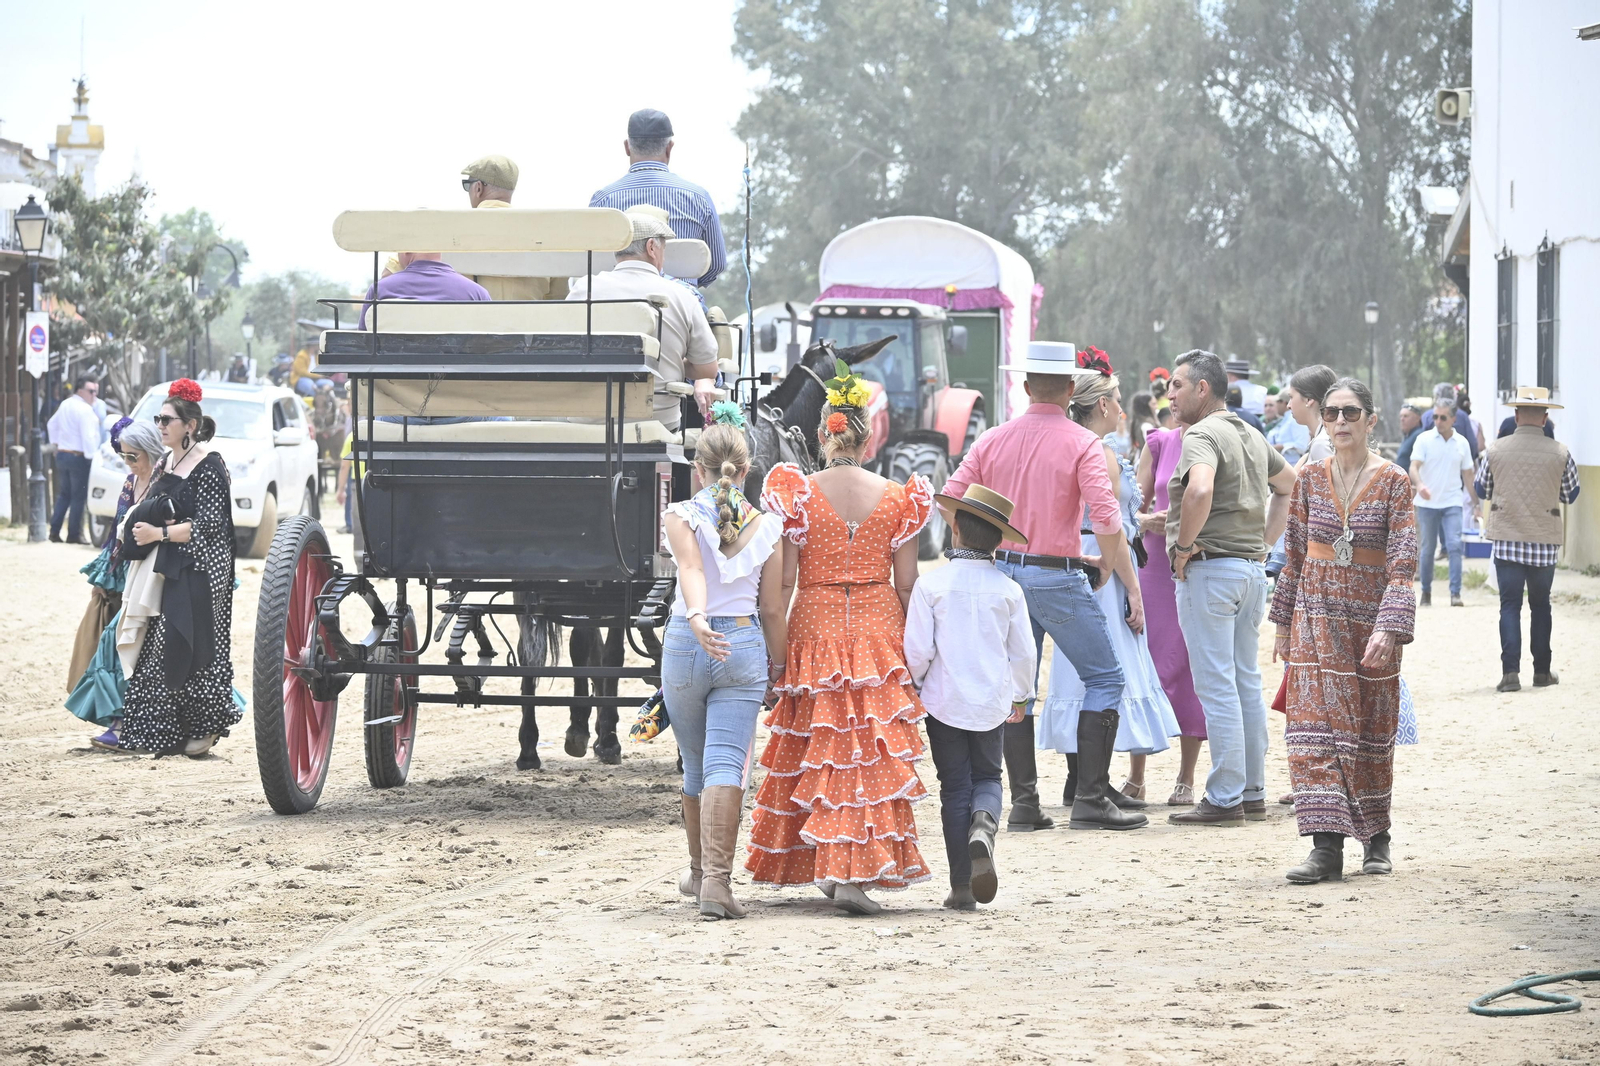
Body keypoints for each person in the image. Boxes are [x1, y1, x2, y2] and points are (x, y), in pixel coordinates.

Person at [746, 362, 934, 914]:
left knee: (821, 754)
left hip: (815, 624)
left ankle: (833, 870)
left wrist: (777, 662)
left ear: (824, 435)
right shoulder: (901, 497)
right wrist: (913, 652)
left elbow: (779, 588)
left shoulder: (796, 492)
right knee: (865, 757)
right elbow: (907, 585)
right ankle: (849, 874)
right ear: (867, 435)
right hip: (878, 629)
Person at [944, 341, 1146, 833]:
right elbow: (1106, 517)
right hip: (1055, 574)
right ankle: (1091, 798)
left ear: (1026, 385)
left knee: (1018, 687)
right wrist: (1109, 565)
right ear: (1071, 388)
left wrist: (973, 549)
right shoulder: (1082, 443)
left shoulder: (993, 438)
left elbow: (950, 498)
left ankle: (1025, 803)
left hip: (1004, 570)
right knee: (1104, 677)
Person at [1271, 377, 1417, 882]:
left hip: (1371, 625)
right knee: (1312, 732)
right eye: (1331, 413)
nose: (1339, 422)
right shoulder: (1310, 478)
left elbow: (1403, 563)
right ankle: (1325, 848)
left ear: (1371, 420)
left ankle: (1377, 837)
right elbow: (1291, 556)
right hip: (1316, 619)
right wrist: (1283, 625)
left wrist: (1391, 627)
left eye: (1350, 413)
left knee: (1371, 733)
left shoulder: (1396, 481)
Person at [661, 411, 787, 920]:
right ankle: (716, 881)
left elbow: (690, 568)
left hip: (686, 644)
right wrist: (779, 666)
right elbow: (774, 608)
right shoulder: (769, 528)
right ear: (748, 468)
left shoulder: (680, 515)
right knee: (725, 765)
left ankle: (697, 871)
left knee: (695, 765)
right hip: (742, 643)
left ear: (699, 470)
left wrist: (695, 616)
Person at [1039, 354, 1179, 809]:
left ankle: (1080, 775)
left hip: (1068, 561)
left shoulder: (1062, 447)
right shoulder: (1100, 454)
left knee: (1075, 670)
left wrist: (1139, 521)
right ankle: (1089, 782)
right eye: (1117, 400)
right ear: (1100, 405)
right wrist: (1134, 590)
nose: (1122, 408)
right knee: (1104, 668)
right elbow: (1108, 527)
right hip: (1102, 565)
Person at [1165, 350, 1296, 827]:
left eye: (1178, 384)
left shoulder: (1200, 434)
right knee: (1244, 682)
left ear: (1203, 389)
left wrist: (1182, 546)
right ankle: (1251, 789)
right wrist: (1263, 540)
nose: (1171, 393)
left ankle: (1224, 796)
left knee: (1218, 686)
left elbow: (1199, 491)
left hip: (1211, 571)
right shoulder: (1251, 433)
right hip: (1248, 571)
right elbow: (1289, 484)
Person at [904, 485, 1035, 910]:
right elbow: (1024, 652)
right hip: (991, 705)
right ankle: (985, 825)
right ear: (999, 540)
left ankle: (961, 886)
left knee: (954, 787)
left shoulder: (932, 586)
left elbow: (919, 651)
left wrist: (920, 684)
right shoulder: (1009, 591)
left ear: (955, 530)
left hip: (944, 703)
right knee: (989, 779)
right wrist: (1021, 697)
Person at [116, 379, 241, 757]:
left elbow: (209, 525)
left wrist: (159, 532)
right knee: (161, 648)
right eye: (158, 418)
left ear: (189, 425)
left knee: (196, 644)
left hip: (204, 570)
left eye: (167, 419)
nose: (161, 425)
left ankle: (207, 727)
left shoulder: (209, 465)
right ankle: (169, 732)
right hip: (170, 566)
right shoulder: (165, 462)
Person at [567, 206, 718, 430]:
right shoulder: (682, 296)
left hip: (588, 422)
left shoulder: (584, 289)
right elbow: (708, 369)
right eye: (664, 250)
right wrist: (667, 360)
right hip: (658, 424)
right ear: (651, 248)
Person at [67, 419, 164, 748]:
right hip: (124, 572)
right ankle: (121, 722)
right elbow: (116, 532)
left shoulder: (166, 484)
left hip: (154, 577)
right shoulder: (129, 482)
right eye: (124, 457)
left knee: (129, 645)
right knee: (113, 644)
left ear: (151, 451)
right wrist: (105, 572)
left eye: (133, 457)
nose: (130, 464)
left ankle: (128, 725)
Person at [1476, 387, 1579, 693]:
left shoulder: (1495, 449)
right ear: (1545, 417)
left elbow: (1482, 489)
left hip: (1507, 536)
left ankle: (1510, 673)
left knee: (1509, 606)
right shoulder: (1561, 452)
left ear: (1517, 415)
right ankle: (1542, 672)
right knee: (1541, 606)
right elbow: (1570, 494)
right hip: (1544, 540)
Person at [1137, 421, 1207, 805]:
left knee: (1190, 664)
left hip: (1198, 561)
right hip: (1154, 567)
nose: (1172, 395)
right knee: (1146, 662)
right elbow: (1130, 503)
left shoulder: (1219, 438)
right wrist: (1147, 521)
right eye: (1170, 387)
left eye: (1179, 385)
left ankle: (1187, 775)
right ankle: (1136, 775)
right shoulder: (1160, 442)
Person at [589, 109, 726, 288]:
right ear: (669, 148)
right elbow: (716, 265)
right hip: (682, 309)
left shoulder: (602, 201)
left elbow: (592, 266)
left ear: (627, 147)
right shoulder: (699, 197)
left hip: (618, 307)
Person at [460, 154, 569, 301]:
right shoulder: (545, 234)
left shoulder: (461, 232)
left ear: (478, 188)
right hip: (533, 321)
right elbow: (558, 296)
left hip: (479, 321)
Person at [1408, 399, 1477, 607]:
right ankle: (1426, 592)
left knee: (1455, 546)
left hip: (1452, 502)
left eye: (1443, 417)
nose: (1438, 421)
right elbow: (1414, 467)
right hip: (1427, 504)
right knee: (1428, 549)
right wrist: (1419, 485)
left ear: (1453, 419)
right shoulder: (1424, 439)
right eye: (1435, 417)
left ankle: (1455, 593)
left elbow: (1468, 476)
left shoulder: (1462, 443)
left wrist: (1476, 504)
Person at [47, 375, 102, 544]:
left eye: (96, 391)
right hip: (78, 456)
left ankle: (55, 531)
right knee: (78, 496)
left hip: (64, 454)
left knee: (64, 494)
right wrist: (91, 457)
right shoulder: (85, 410)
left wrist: (56, 444)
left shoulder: (66, 404)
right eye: (91, 391)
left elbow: (51, 424)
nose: (94, 395)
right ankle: (74, 534)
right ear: (80, 390)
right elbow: (88, 437)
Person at [1281, 365, 1337, 469]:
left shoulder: (1322, 443)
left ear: (1308, 400)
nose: (1288, 405)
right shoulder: (1323, 437)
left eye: (1291, 397)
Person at [1266, 392, 1310, 465]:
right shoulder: (1285, 419)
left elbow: (1302, 445)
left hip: (1293, 464)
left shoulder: (1294, 419)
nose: (1276, 405)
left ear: (1283, 403)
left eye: (1277, 402)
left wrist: (1281, 446)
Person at [1394, 403, 1425, 471]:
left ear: (1417, 419)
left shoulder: (1419, 436)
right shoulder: (1408, 436)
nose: (1402, 419)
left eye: (1406, 416)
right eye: (1401, 416)